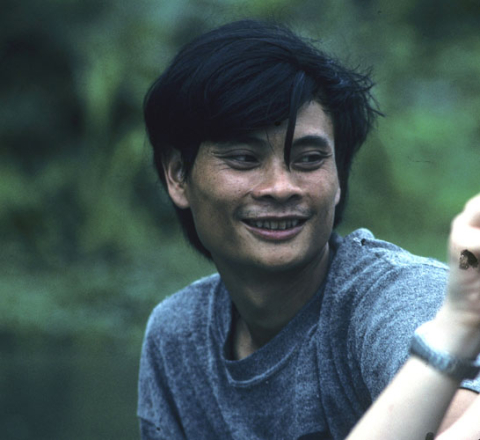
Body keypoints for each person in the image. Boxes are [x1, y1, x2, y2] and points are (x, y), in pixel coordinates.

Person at [137, 19, 480, 439]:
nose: (281, 187)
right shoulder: (177, 337)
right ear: (177, 176)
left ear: (338, 179)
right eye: (245, 158)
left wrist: (455, 328)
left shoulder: (397, 301)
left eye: (308, 159)